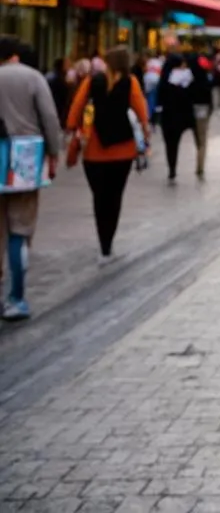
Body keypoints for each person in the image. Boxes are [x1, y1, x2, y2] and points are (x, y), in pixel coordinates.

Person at [66, 47, 150, 264]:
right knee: (114, 198)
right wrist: (145, 139)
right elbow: (142, 114)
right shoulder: (131, 83)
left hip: (93, 153)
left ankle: (103, 243)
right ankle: (107, 245)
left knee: (99, 198)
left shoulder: (92, 81)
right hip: (123, 152)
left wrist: (74, 130)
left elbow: (75, 111)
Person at [0, 36, 62, 320]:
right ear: (16, 55)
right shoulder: (32, 77)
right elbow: (49, 117)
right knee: (20, 228)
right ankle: (17, 297)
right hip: (24, 157)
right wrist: (53, 154)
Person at [157, 53, 195, 183]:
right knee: (175, 142)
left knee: (169, 143)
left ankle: (171, 166)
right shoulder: (184, 78)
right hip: (179, 116)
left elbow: (160, 96)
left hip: (167, 116)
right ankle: (172, 166)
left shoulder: (165, 78)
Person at [187, 53, 213, 179]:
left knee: (198, 138)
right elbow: (209, 98)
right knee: (202, 139)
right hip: (204, 109)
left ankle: (199, 164)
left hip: (193, 109)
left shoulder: (190, 79)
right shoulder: (205, 79)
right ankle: (200, 166)